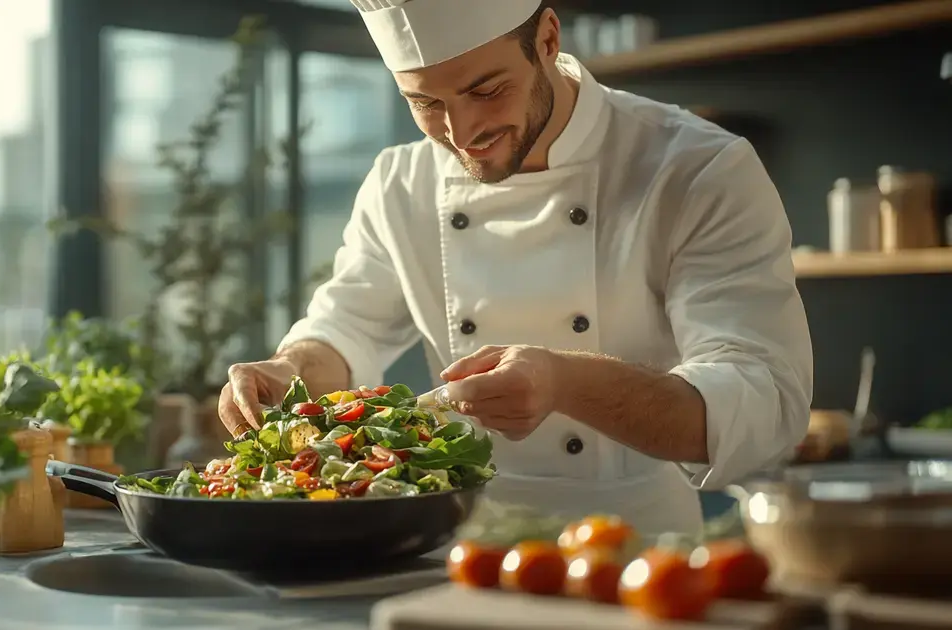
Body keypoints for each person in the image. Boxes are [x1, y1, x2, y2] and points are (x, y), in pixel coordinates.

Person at [218, 0, 813, 535]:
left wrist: (562, 382)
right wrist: (287, 372)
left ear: (548, 40)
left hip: (633, 555)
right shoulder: (400, 183)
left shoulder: (697, 170)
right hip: (455, 548)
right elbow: (346, 330)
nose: (461, 132)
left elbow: (762, 402)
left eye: (485, 90)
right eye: (425, 103)